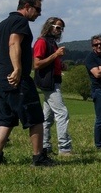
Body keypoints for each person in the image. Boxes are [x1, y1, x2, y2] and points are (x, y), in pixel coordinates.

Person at [0, 0, 55, 167]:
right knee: (36, 118)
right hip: (15, 79)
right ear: (27, 7)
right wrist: (17, 69)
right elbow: (14, 43)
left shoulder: (3, 23)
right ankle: (39, 158)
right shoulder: (20, 21)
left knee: (6, 120)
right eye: (37, 10)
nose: (39, 14)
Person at [32, 17, 72, 156]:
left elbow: (50, 61)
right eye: (58, 27)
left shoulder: (52, 43)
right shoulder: (42, 42)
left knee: (47, 117)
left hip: (54, 80)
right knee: (62, 113)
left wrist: (60, 65)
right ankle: (64, 147)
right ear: (50, 27)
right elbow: (37, 64)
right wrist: (56, 55)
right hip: (49, 83)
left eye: (62, 29)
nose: (60, 31)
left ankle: (45, 146)